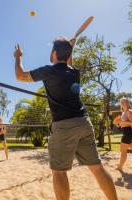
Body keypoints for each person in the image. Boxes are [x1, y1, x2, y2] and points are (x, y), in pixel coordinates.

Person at [13, 36, 118, 200]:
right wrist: (71, 48)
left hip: (64, 125)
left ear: (54, 53)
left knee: (59, 172)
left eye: (51, 50)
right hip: (84, 122)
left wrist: (18, 57)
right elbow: (69, 63)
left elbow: (20, 76)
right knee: (97, 168)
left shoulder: (49, 70)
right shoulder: (74, 72)